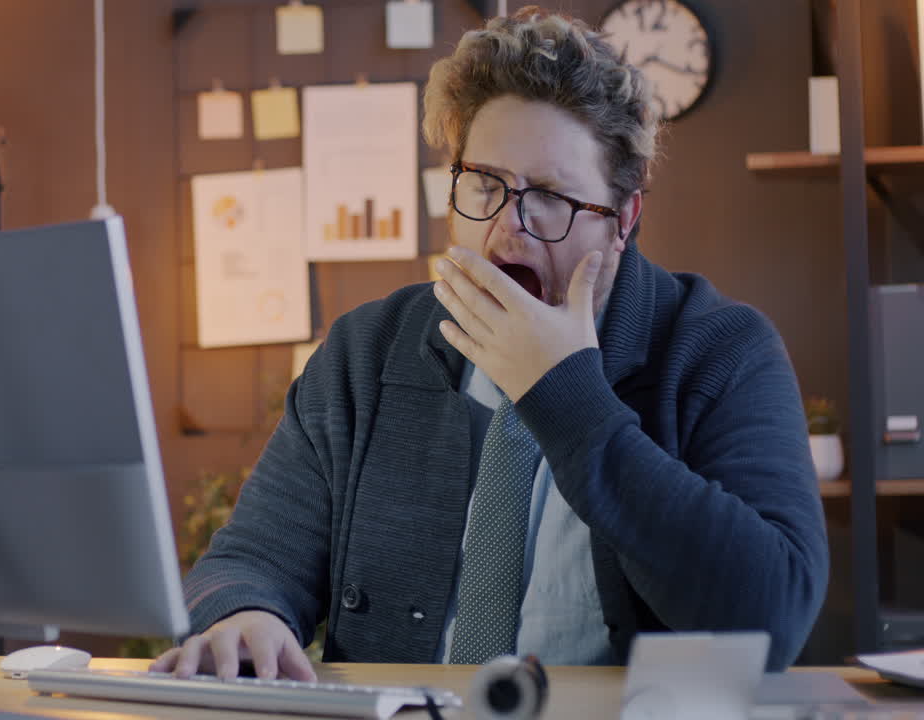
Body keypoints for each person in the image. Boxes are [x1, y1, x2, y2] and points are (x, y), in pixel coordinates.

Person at [152, 6, 828, 681]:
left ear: (624, 218)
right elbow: (249, 562)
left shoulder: (720, 350)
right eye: (484, 185)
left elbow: (772, 616)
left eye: (551, 197)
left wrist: (567, 399)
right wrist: (246, 614)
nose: (509, 228)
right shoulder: (365, 352)